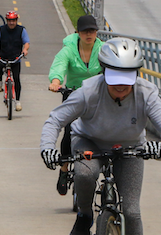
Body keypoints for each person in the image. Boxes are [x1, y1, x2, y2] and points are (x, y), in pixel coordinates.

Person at [40, 38, 161, 235]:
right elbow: (55, 119)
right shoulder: (88, 92)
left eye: (127, 78)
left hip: (130, 147)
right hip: (89, 141)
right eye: (115, 78)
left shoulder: (146, 94)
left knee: (132, 212)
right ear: (104, 72)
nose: (121, 86)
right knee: (85, 173)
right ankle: (84, 215)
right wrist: (47, 148)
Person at [47, 15, 103, 195]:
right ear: (78, 32)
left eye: (92, 30)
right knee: (69, 132)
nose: (89, 34)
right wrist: (56, 81)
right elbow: (59, 66)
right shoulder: (69, 49)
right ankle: (64, 170)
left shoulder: (102, 49)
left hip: (96, 97)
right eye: (85, 31)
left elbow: (111, 67)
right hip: (73, 95)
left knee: (104, 131)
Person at [0, 10, 30, 111]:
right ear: (6, 20)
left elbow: (26, 42)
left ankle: (18, 101)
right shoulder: (1, 30)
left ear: (16, 20)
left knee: (16, 79)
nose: (11, 23)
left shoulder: (21, 30)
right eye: (10, 20)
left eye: (13, 20)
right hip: (3, 57)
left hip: (15, 59)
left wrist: (25, 50)